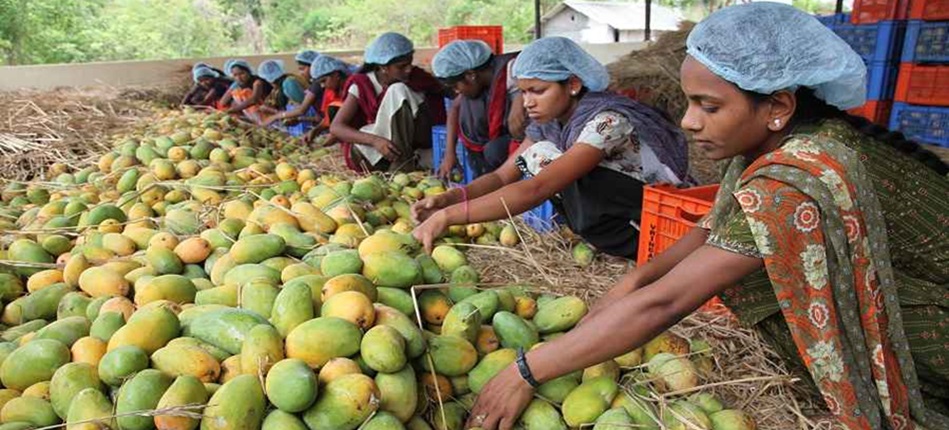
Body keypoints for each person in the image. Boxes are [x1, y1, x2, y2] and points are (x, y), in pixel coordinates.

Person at [465, 4, 949, 430]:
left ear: (778, 106)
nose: (687, 121)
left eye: (708, 106)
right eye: (691, 101)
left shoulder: (798, 176)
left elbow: (668, 304)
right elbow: (709, 231)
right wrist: (630, 284)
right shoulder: (777, 144)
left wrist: (525, 371)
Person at [411, 37, 689, 259]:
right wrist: (451, 199)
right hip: (619, 205)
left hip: (655, 214)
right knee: (536, 156)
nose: (527, 102)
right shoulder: (550, 124)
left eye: (538, 91)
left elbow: (536, 188)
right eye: (524, 92)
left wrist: (448, 217)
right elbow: (502, 176)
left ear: (572, 85)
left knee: (541, 157)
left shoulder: (607, 121)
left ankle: (639, 245)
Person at [330, 32, 447, 172]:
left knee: (397, 90)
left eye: (410, 63)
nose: (409, 69)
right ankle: (400, 165)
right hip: (384, 149)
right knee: (360, 143)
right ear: (383, 67)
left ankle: (402, 164)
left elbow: (446, 96)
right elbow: (336, 127)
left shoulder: (418, 79)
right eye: (401, 66)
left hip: (418, 141)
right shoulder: (363, 84)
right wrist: (375, 141)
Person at [432, 40, 527, 178]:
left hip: (517, 147)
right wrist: (449, 153)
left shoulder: (513, 71)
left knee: (494, 150)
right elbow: (454, 108)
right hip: (482, 152)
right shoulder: (474, 87)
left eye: (455, 86)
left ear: (471, 75)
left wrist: (519, 96)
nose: (457, 91)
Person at [263, 50, 325, 131]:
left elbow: (301, 110)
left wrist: (276, 116)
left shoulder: (316, 85)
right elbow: (319, 118)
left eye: (302, 69)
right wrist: (299, 119)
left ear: (314, 66)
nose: (301, 73)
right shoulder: (313, 84)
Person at [303, 55, 353, 146]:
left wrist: (336, 135)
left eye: (324, 81)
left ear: (336, 75)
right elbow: (328, 118)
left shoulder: (353, 88)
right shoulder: (330, 91)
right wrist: (316, 130)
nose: (322, 86)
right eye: (320, 83)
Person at [256, 60, 313, 137]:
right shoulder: (279, 87)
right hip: (296, 120)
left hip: (305, 121)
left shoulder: (289, 83)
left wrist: (276, 114)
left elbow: (303, 107)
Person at [220, 59, 272, 124]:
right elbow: (223, 102)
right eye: (235, 75)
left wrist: (233, 110)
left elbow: (254, 100)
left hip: (267, 115)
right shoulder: (238, 85)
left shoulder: (257, 82)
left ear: (248, 72)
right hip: (253, 118)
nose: (239, 78)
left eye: (242, 73)